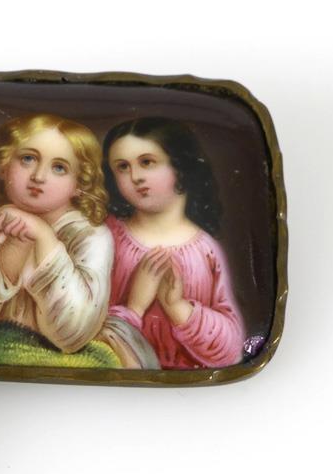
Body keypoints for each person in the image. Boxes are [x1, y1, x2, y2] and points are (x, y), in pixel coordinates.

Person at [0, 113, 156, 367]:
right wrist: (13, 249)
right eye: (28, 159)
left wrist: (44, 238)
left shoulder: (92, 235)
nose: (39, 176)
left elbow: (72, 335)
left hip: (67, 351)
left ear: (79, 182)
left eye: (59, 168)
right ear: (3, 165)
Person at [102, 117, 244, 369]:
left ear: (179, 165)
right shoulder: (105, 236)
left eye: (147, 162)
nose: (135, 176)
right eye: (122, 167)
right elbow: (82, 333)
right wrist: (134, 309)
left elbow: (231, 349)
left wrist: (178, 308)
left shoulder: (207, 251)